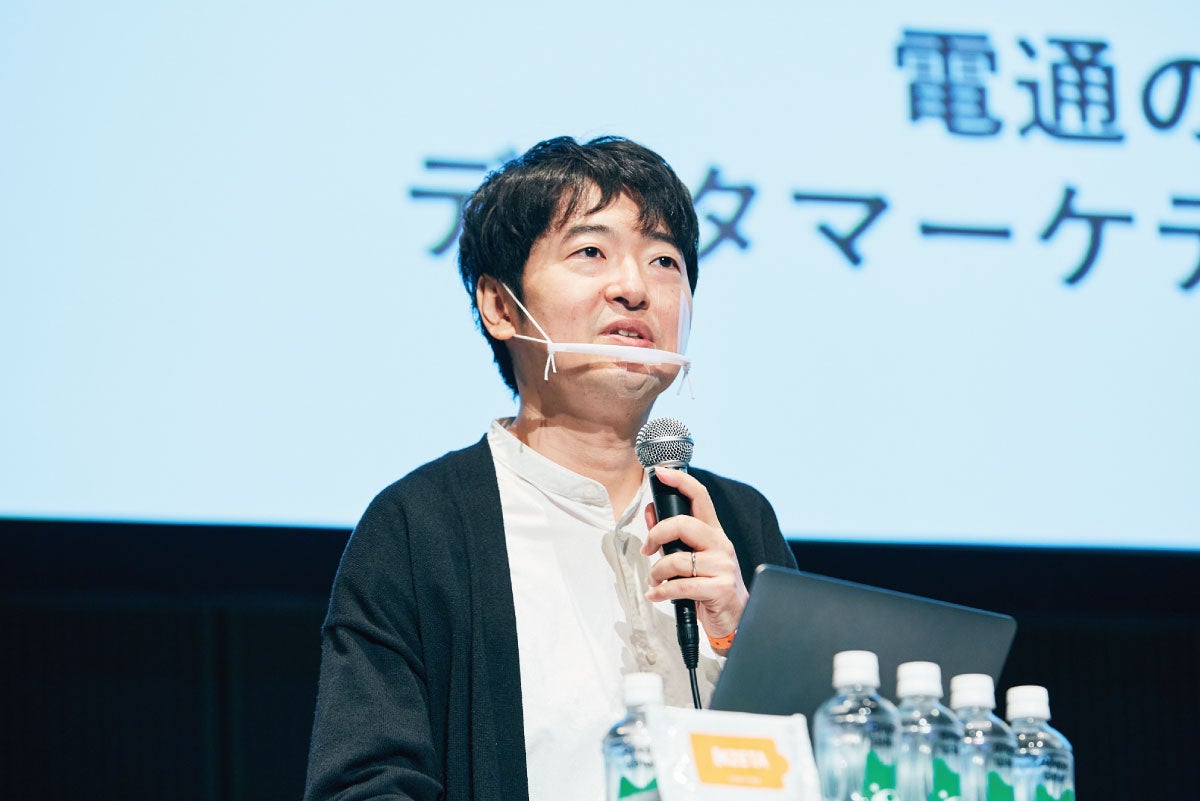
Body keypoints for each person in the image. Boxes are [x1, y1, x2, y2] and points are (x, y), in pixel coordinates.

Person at [303, 135, 796, 801]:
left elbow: (829, 762)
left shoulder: (740, 519)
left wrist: (743, 635)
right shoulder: (419, 526)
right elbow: (363, 785)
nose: (634, 288)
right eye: (591, 252)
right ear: (501, 306)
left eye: (664, 261)